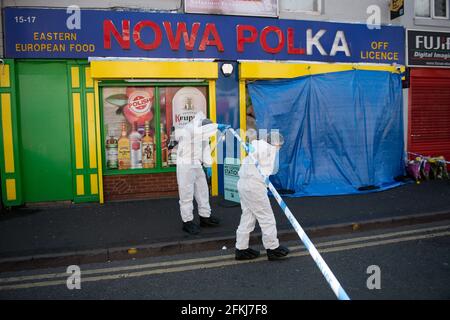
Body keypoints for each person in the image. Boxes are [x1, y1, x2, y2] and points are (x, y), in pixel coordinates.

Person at [235, 131, 290, 261]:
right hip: (254, 186)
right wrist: (252, 148)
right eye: (280, 146)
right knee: (267, 217)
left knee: (248, 216)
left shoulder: (266, 148)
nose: (280, 148)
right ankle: (272, 248)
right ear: (276, 144)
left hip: (244, 184)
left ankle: (241, 248)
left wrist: (252, 148)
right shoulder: (266, 147)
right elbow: (256, 149)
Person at [174, 112, 220, 235]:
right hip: (185, 164)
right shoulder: (190, 129)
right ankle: (187, 221)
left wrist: (208, 165)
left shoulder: (202, 131)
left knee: (202, 190)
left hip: (196, 163)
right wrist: (216, 126)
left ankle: (205, 217)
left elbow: (205, 148)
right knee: (186, 194)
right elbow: (197, 133)